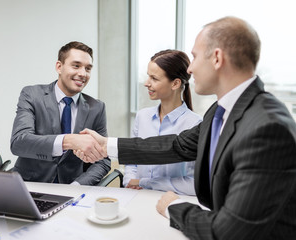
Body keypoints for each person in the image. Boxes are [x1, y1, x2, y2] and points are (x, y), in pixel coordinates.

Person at [75, 17, 296, 239]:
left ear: (217, 58)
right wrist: (107, 145)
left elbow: (229, 232)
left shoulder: (268, 128)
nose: (190, 68)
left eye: (196, 56)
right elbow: (177, 145)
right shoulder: (219, 111)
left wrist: (173, 206)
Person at [10, 41, 110, 185]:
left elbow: (103, 161)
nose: (82, 74)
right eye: (76, 66)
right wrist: (69, 141)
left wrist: (77, 186)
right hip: (29, 187)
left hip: (71, 191)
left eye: (88, 68)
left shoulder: (97, 108)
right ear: (59, 66)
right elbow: (19, 142)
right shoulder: (32, 95)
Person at [124, 49, 202, 195]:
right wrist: (129, 180)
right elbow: (131, 161)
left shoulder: (195, 124)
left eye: (154, 78)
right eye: (148, 77)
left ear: (175, 84)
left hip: (171, 202)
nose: (146, 83)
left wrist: (145, 183)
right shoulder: (142, 117)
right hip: (137, 196)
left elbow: (194, 182)